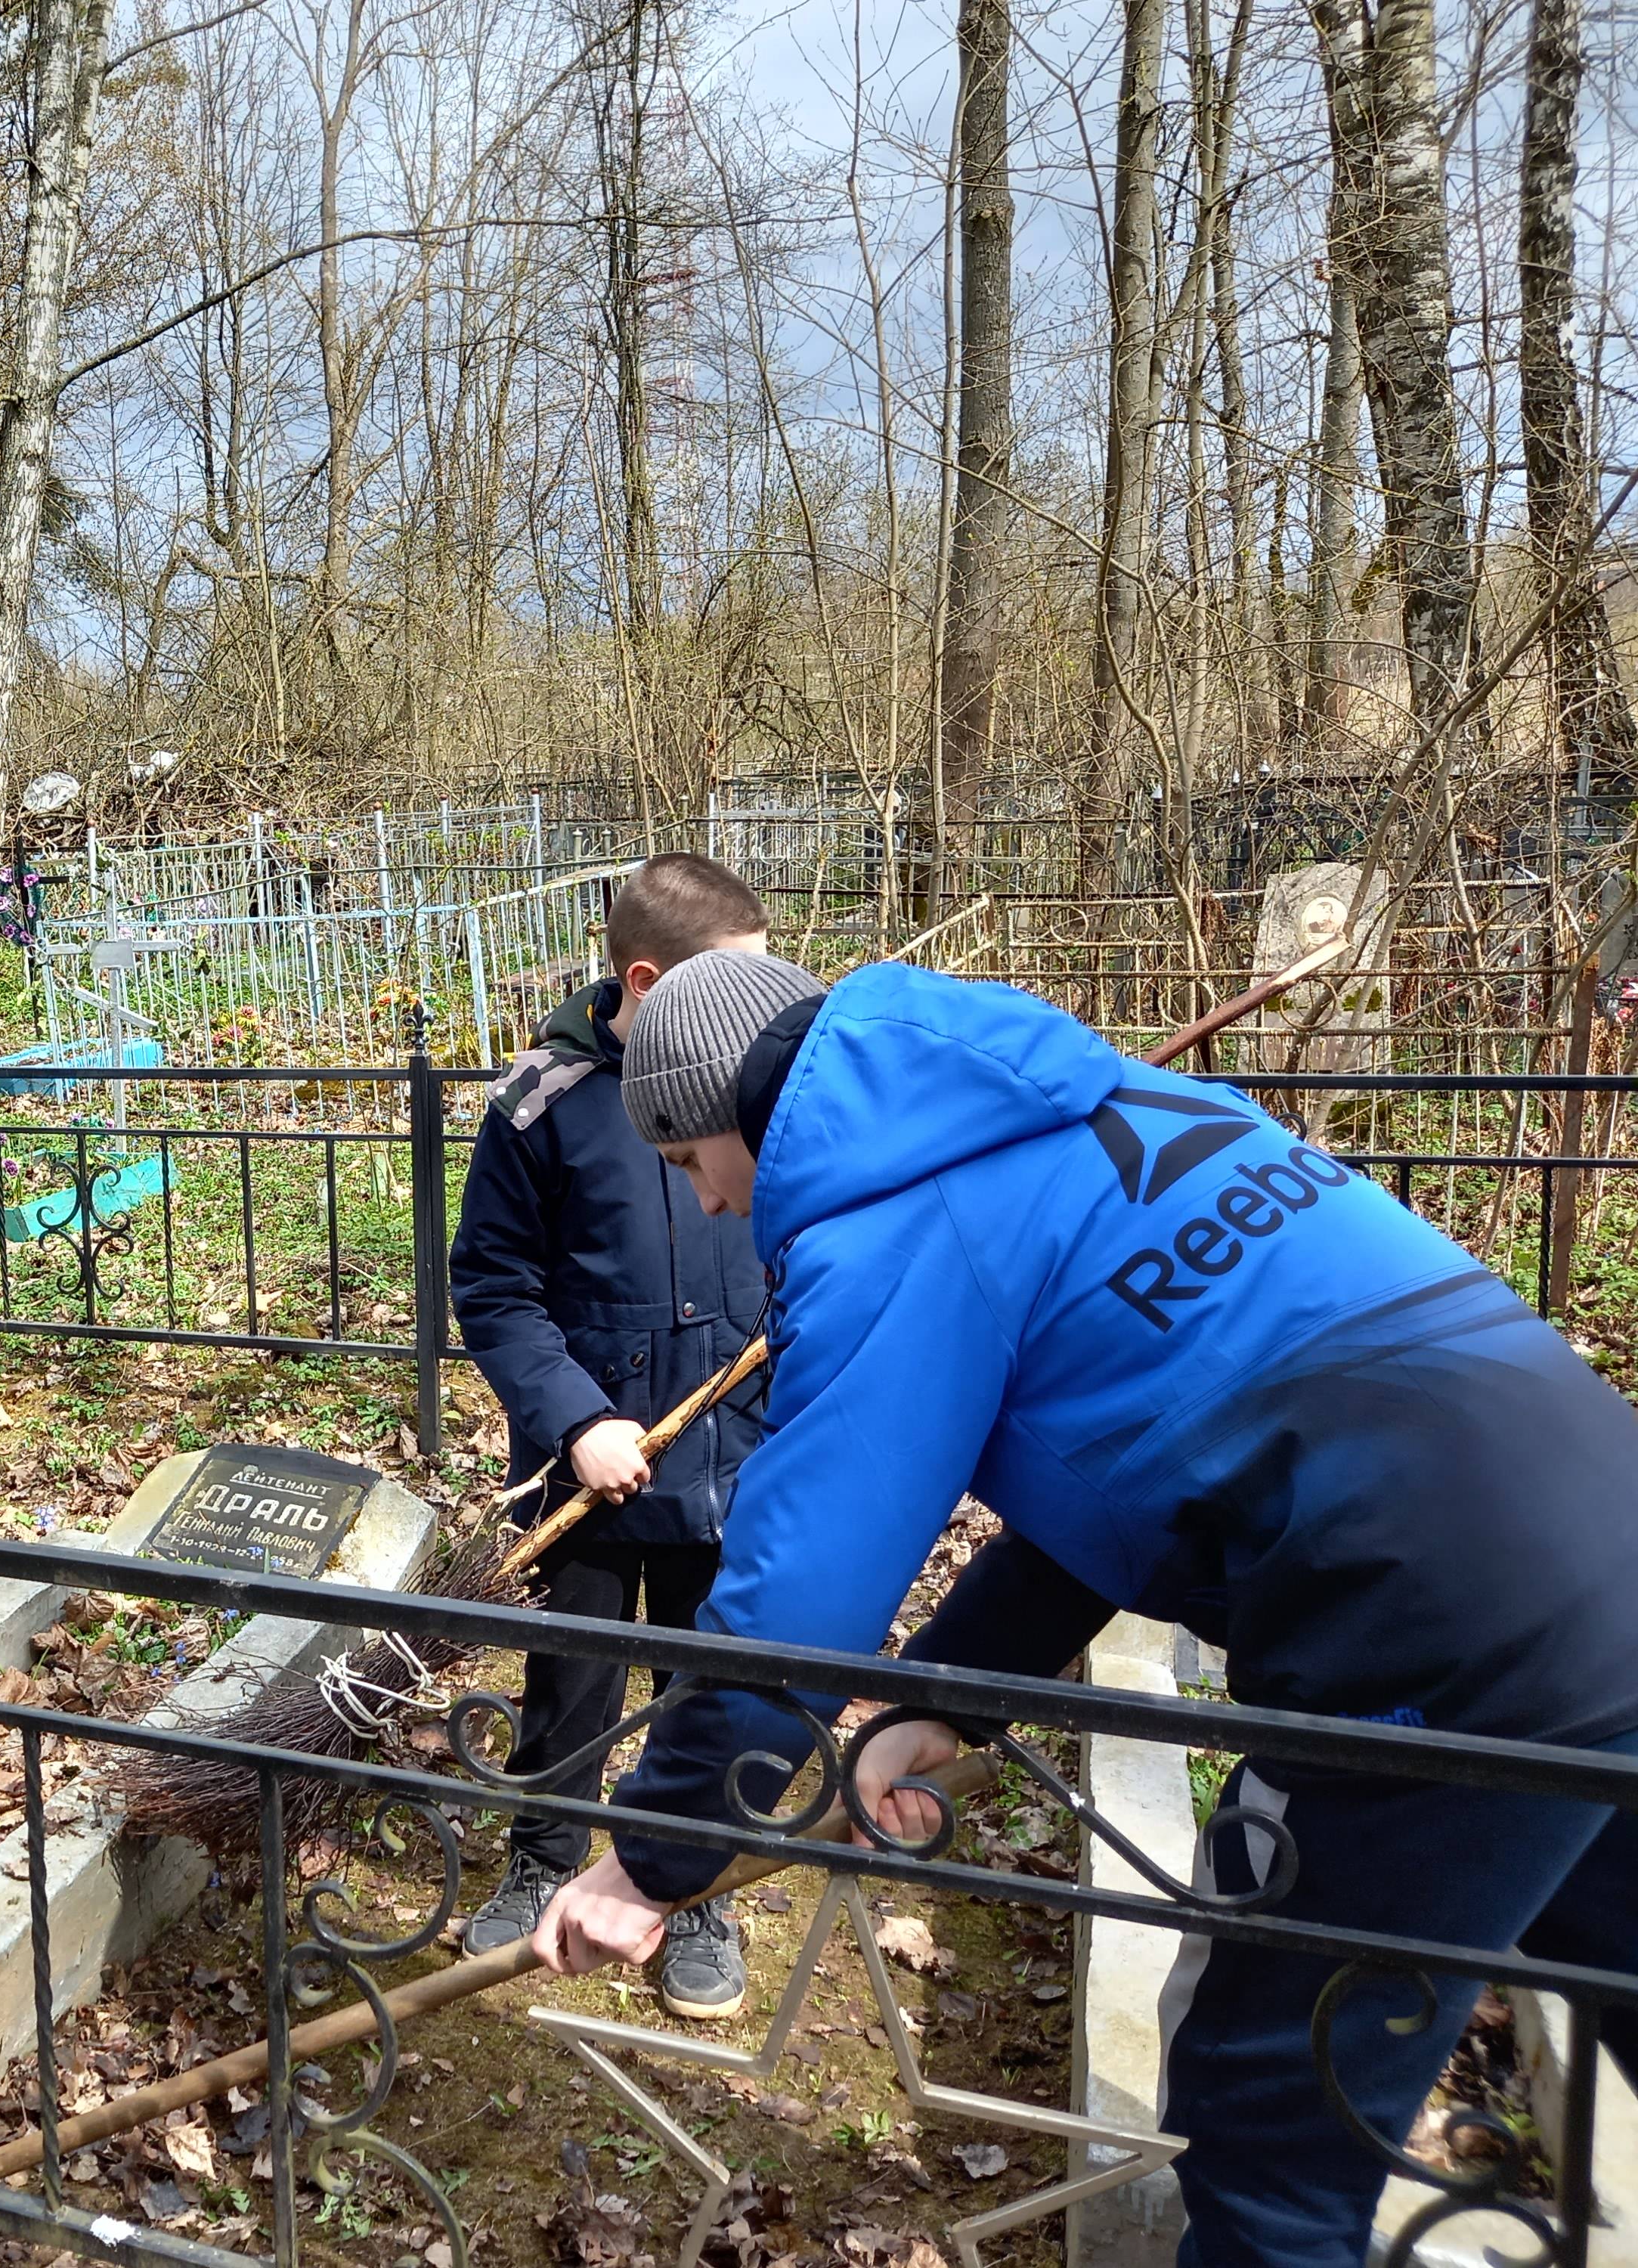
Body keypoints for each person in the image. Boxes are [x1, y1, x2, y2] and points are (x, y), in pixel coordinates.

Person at [531, 950, 1638, 2268]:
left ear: (719, 1120)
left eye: (687, 1163)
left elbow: (796, 1605)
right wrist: (942, 1706)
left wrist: (651, 1858)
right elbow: (1122, 1478)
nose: (704, 1199)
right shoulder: (1083, 1110)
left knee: (1273, 2122)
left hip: (1436, 1630)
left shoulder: (887, 1219)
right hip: (1601, 1537)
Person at [443, 854, 772, 2007]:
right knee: (570, 1672)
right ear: (647, 980)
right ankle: (542, 1857)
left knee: (709, 1672)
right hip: (585, 1461)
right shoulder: (544, 1101)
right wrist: (577, 1421)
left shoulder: (763, 1088)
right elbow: (492, 1286)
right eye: (730, 987)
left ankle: (692, 1892)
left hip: (732, 1443)